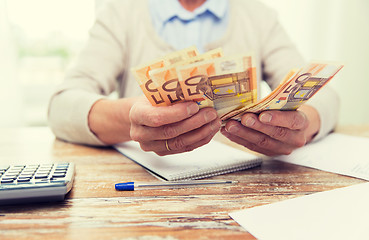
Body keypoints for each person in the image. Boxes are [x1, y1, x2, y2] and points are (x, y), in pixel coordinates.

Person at [48, 0, 339, 156]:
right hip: (147, 189)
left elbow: (323, 95)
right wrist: (131, 119)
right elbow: (62, 106)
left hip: (242, 187)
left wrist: (303, 125)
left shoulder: (259, 16)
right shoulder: (120, 13)